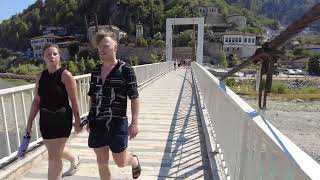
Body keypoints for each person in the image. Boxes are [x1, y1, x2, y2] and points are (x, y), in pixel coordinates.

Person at [86, 30, 141, 180]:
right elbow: (92, 96)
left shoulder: (126, 70)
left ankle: (134, 161)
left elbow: (134, 97)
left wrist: (134, 123)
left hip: (117, 122)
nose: (101, 49)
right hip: (97, 123)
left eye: (105, 46)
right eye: (99, 47)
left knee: (120, 161)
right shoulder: (96, 70)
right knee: (102, 162)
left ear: (115, 47)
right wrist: (90, 118)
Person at [25, 44, 82, 180]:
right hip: (45, 121)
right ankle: (75, 158)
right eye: (48, 54)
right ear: (43, 57)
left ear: (59, 57)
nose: (52, 57)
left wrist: (78, 121)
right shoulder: (40, 77)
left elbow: (74, 100)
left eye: (55, 54)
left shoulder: (66, 76)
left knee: (54, 157)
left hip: (61, 119)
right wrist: (29, 123)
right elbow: (37, 101)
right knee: (54, 151)